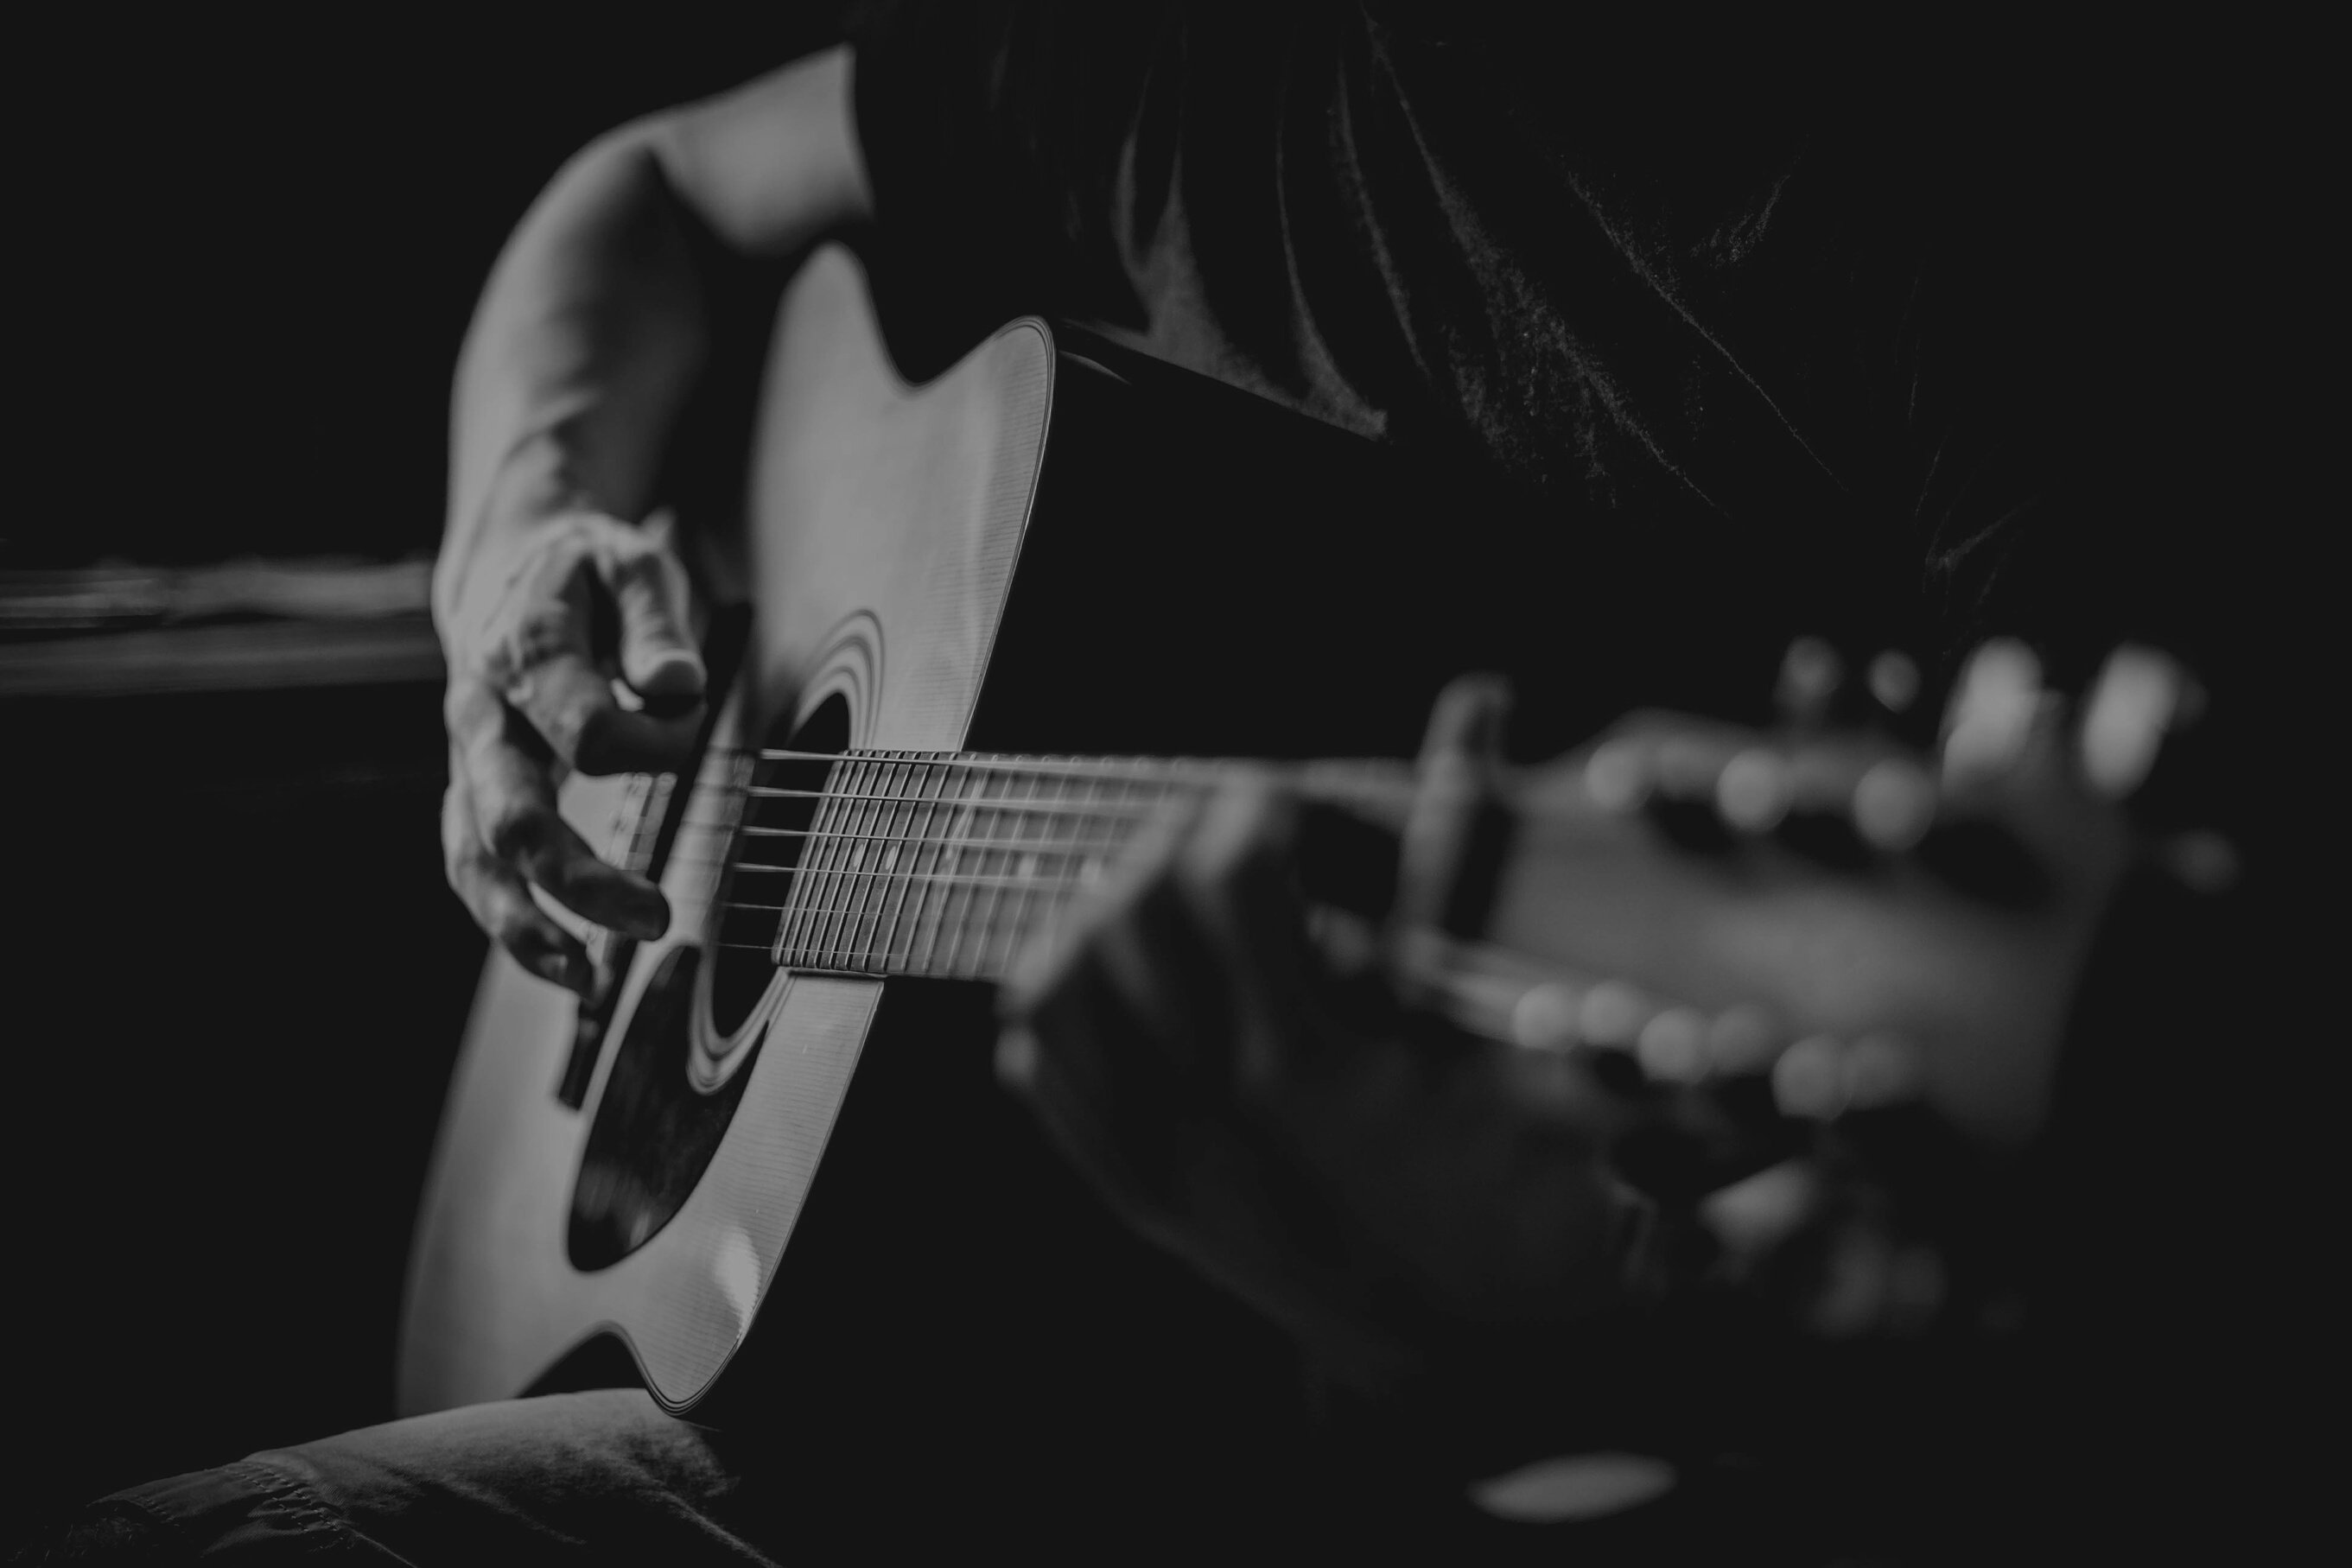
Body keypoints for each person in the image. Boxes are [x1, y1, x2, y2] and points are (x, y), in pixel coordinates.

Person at [25, 6, 2266, 1561]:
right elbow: (649, 196)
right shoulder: (1154, 53)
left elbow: (2138, 1370)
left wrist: (1547, 1355)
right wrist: (517, 559)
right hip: (938, 1389)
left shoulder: (2013, 202)